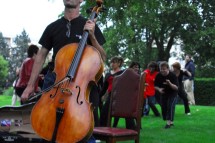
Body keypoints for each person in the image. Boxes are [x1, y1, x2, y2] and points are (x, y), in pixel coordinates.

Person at [21, 0, 106, 142]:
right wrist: (30, 86)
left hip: (80, 85)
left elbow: (103, 57)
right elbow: (41, 55)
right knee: (47, 127)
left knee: (83, 132)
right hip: (55, 80)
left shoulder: (90, 25)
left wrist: (92, 36)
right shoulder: (52, 27)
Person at [99, 56, 124, 127]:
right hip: (111, 96)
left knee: (126, 111)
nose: (112, 64)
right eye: (111, 62)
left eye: (114, 62)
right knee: (104, 112)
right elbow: (104, 88)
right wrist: (99, 96)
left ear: (119, 63)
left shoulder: (123, 73)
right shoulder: (108, 74)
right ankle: (103, 128)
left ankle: (133, 129)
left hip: (121, 96)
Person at [154, 61, 178, 129]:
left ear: (168, 69)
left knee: (170, 106)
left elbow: (176, 88)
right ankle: (171, 121)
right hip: (164, 93)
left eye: (164, 69)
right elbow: (155, 86)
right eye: (161, 69)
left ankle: (168, 123)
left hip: (173, 93)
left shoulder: (172, 75)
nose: (162, 70)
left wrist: (169, 83)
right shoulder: (158, 75)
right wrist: (159, 89)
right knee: (164, 107)